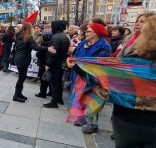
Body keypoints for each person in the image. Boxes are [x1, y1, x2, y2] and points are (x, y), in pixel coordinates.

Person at [110, 14, 156, 148]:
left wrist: (84, 69)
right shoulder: (128, 45)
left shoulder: (134, 57)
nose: (138, 24)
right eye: (138, 21)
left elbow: (113, 81)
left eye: (143, 23)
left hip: (130, 115)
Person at [67, 23, 111, 134]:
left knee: (91, 100)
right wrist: (72, 60)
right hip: (80, 75)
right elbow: (78, 57)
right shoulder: (84, 43)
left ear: (96, 33)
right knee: (79, 97)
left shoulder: (104, 46)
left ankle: (92, 124)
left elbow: (99, 65)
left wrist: (77, 66)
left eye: (89, 31)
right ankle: (82, 116)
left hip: (94, 78)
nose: (85, 33)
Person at [12, 23, 48, 103]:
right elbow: (36, 47)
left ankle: (19, 94)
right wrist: (47, 48)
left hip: (18, 58)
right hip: (23, 59)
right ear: (29, 28)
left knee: (22, 77)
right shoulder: (28, 37)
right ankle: (16, 95)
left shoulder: (18, 35)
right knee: (21, 78)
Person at [43, 20, 70, 108]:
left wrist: (48, 64)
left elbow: (53, 52)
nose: (50, 28)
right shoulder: (65, 36)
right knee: (59, 82)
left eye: (52, 26)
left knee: (54, 83)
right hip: (61, 62)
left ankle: (53, 102)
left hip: (55, 63)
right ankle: (59, 99)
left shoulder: (56, 37)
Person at [35, 31, 53, 98]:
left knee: (43, 79)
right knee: (50, 78)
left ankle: (42, 93)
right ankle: (51, 92)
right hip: (50, 63)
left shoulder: (43, 45)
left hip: (43, 64)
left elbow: (38, 54)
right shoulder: (52, 44)